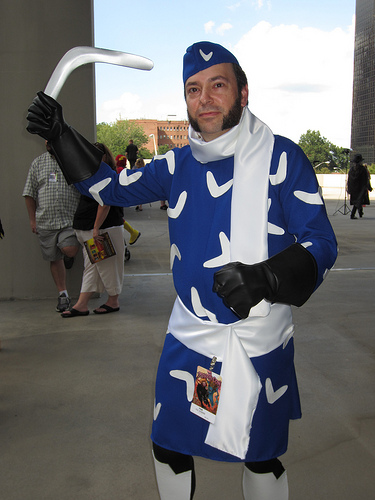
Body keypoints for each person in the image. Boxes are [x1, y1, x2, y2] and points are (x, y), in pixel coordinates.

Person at [27, 41, 337, 499]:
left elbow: (320, 242)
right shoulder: (176, 163)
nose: (204, 99)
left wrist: (267, 277)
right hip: (191, 338)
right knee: (169, 444)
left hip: (259, 340)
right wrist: (61, 135)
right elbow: (110, 188)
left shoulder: (283, 159)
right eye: (193, 89)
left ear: (243, 93)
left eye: (218, 86)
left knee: (261, 453)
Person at [62, 143, 125, 317]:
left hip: (102, 229)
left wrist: (96, 228)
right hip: (91, 229)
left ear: (104, 156)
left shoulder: (105, 175)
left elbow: (104, 203)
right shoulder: (91, 174)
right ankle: (82, 304)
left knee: (107, 266)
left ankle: (113, 300)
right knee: (93, 268)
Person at [23, 142, 80, 312]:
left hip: (69, 220)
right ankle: (63, 294)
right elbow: (29, 193)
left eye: (52, 139)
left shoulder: (72, 162)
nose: (48, 143)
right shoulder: (38, 163)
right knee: (54, 258)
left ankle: (67, 254)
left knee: (69, 249)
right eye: (46, 140)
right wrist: (32, 220)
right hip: (46, 221)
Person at [347, 153, 372, 219]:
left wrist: (348, 188)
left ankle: (360, 213)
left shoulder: (351, 170)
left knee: (358, 201)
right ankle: (352, 215)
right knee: (358, 201)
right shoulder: (363, 169)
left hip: (353, 188)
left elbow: (349, 180)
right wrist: (369, 187)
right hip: (360, 188)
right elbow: (366, 179)